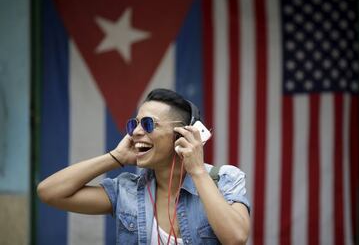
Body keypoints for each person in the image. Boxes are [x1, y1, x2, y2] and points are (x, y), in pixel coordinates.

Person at [37, 88, 250, 244]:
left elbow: (236, 238)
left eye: (148, 124)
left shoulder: (225, 178)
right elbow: (50, 192)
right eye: (134, 124)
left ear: (181, 134)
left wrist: (197, 171)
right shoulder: (127, 191)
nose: (136, 132)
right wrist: (115, 157)